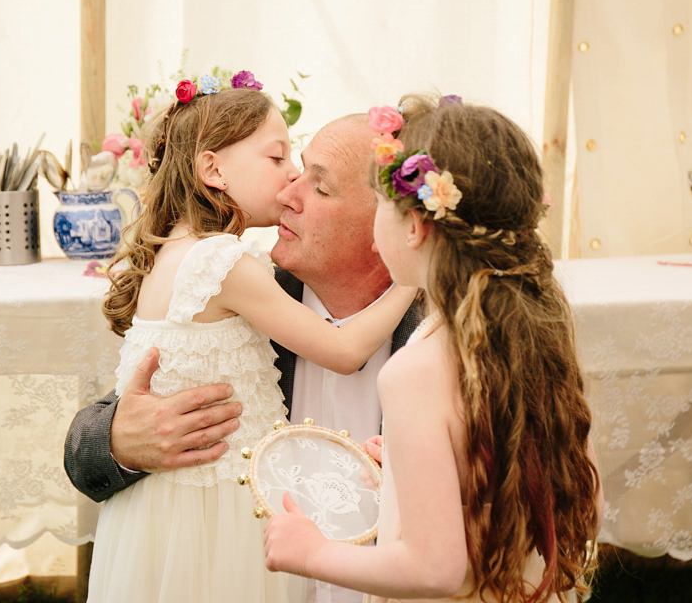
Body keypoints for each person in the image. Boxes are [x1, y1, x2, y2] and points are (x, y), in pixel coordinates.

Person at [78, 77, 417, 603]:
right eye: (282, 163)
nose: (289, 191)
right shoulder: (238, 276)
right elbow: (89, 443)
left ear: (389, 221)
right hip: (220, 541)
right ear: (213, 169)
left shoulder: (445, 326)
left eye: (317, 185)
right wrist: (123, 441)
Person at [263, 95, 603, 603]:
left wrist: (312, 552)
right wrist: (402, 480)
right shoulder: (533, 335)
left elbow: (436, 570)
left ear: (416, 227)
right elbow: (587, 508)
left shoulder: (417, 368)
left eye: (381, 205)